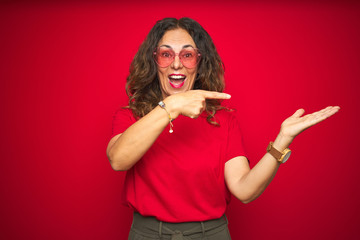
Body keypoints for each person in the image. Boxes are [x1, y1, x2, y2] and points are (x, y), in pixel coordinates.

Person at [106, 17, 339, 240]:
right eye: (166, 54)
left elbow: (244, 190)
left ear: (199, 62)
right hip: (147, 235)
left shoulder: (223, 120)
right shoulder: (131, 115)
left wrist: (281, 141)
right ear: (154, 61)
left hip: (210, 234)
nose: (176, 63)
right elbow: (118, 160)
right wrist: (171, 105)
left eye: (187, 55)